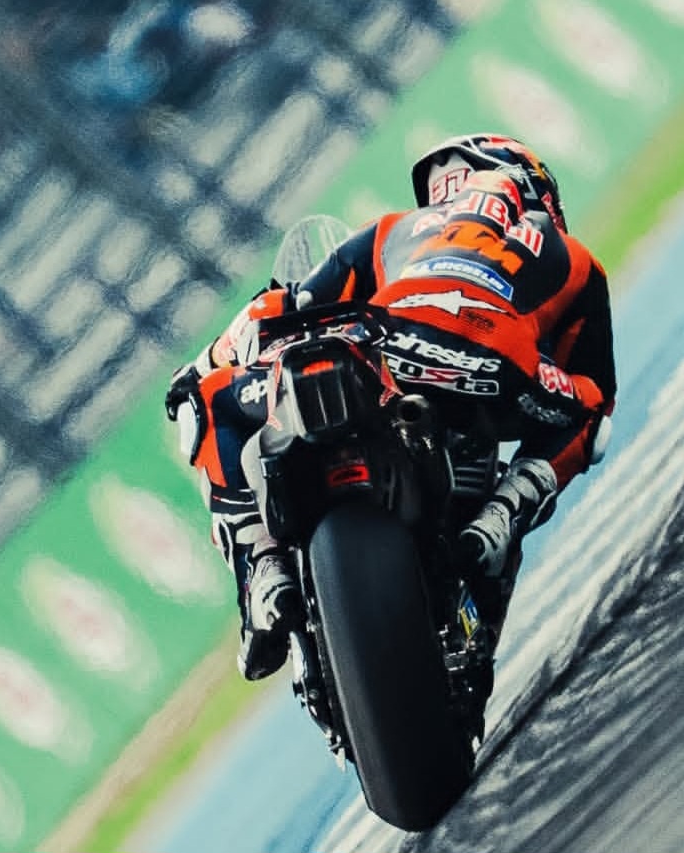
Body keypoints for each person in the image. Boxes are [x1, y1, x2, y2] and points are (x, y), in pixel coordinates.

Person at [167, 133, 617, 682]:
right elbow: (595, 386)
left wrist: (201, 365)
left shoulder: (391, 230)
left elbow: (285, 305)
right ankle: (505, 510)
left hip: (391, 350)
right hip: (494, 368)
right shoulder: (572, 257)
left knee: (210, 402)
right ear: (534, 191)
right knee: (591, 410)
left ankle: (263, 566)